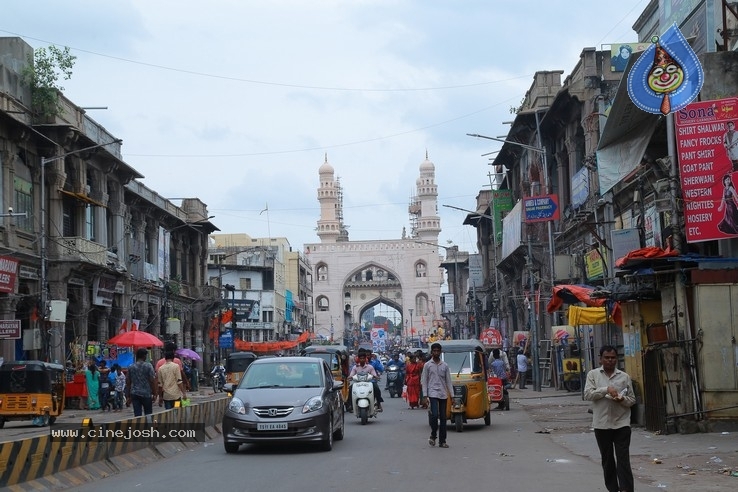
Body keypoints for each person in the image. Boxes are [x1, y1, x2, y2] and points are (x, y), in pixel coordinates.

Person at [583, 345, 636, 492]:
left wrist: (621, 399)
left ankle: (626, 488)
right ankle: (613, 488)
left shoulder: (624, 377)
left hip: (622, 423)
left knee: (623, 459)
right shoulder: (593, 375)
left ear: (616, 359)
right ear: (601, 359)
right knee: (607, 460)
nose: (610, 360)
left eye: (613, 358)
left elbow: (632, 400)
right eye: (607, 357)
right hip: (602, 424)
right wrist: (606, 389)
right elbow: (587, 394)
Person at [421, 342, 454, 448]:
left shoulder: (445, 365)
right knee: (435, 415)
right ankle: (433, 435)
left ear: (440, 352)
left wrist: (452, 396)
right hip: (432, 393)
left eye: (437, 351)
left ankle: (442, 441)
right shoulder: (427, 365)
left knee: (443, 418)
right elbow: (424, 381)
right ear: (431, 352)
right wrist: (425, 396)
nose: (436, 352)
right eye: (434, 351)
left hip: (443, 393)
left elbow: (448, 381)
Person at [126, 347, 157, 417]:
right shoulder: (148, 366)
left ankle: (138, 427)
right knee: (148, 414)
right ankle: (149, 427)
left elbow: (128, 382)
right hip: (146, 393)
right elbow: (152, 380)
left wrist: (128, 396)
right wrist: (154, 393)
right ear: (144, 356)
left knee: (137, 415)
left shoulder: (131, 367)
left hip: (134, 393)